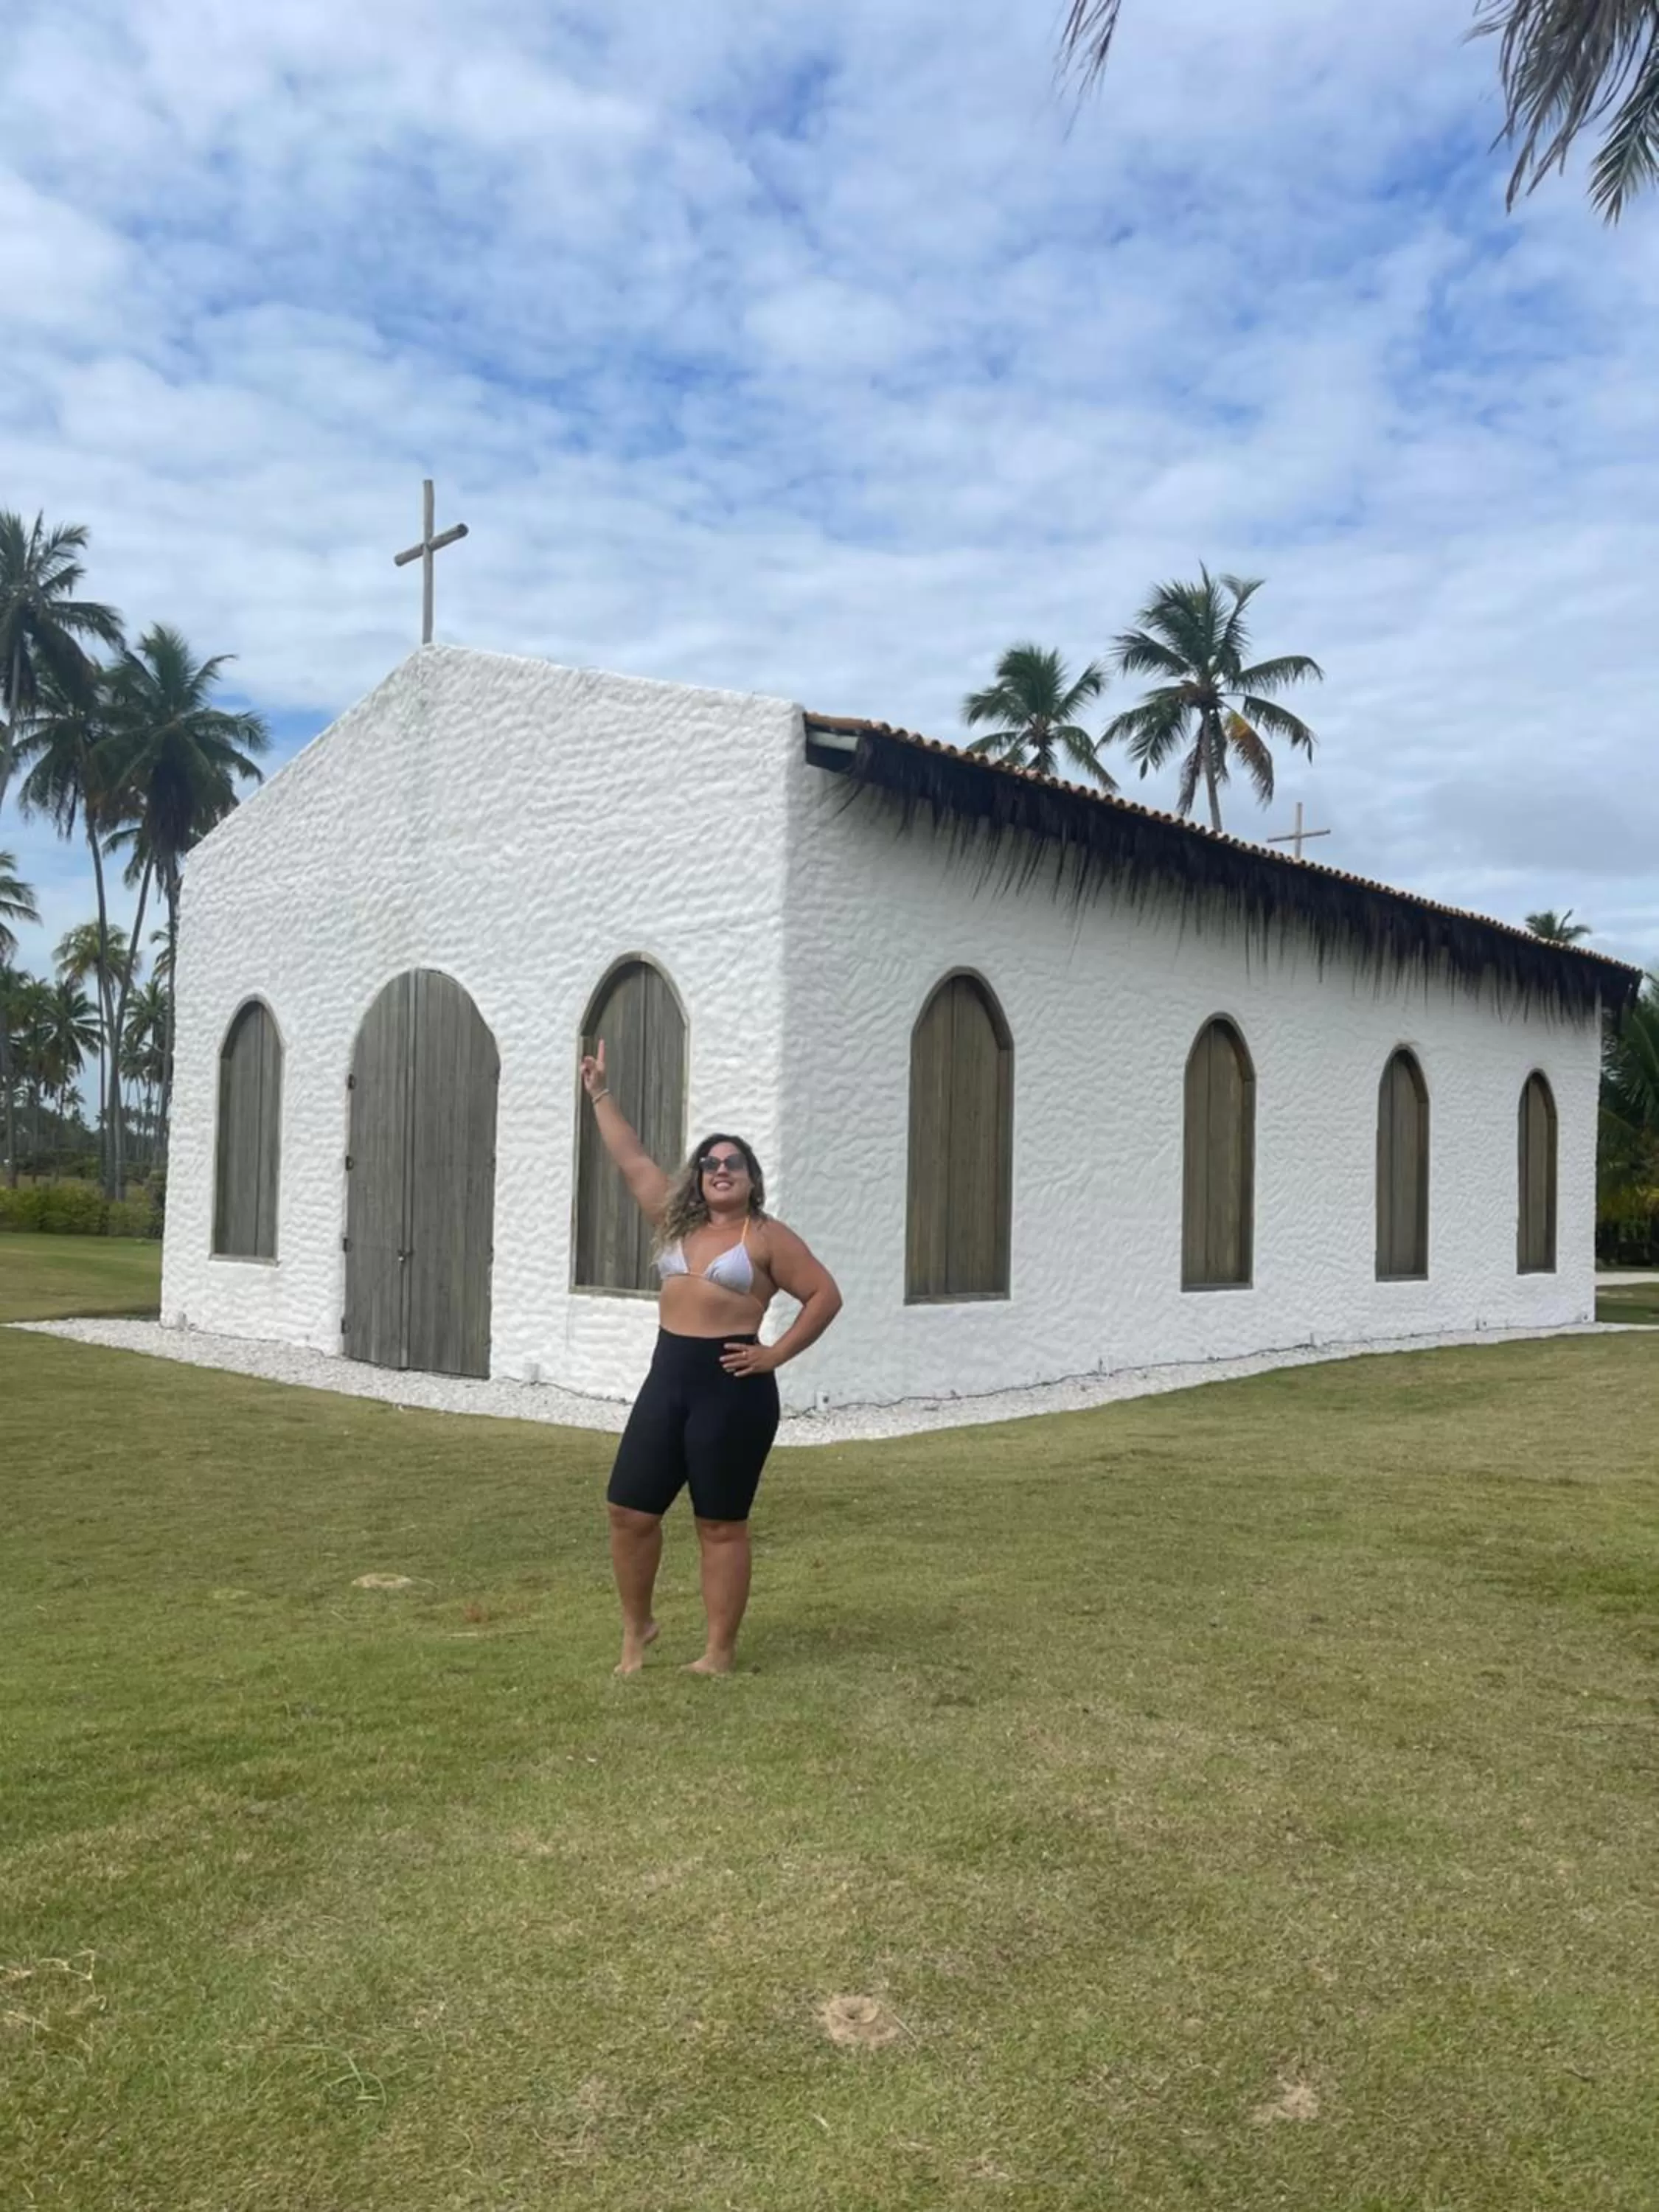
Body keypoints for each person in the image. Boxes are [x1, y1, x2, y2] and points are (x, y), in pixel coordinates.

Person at [579, 1038, 843, 1676]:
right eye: (709, 1163)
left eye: (734, 1163)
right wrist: (599, 1093)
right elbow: (631, 1158)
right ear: (699, 1178)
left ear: (752, 1179)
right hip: (668, 1378)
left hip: (731, 1386)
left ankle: (718, 1653)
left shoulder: (767, 1237)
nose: (719, 1169)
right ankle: (638, 1629)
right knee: (628, 1509)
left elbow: (824, 1295)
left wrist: (774, 1354)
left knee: (720, 1524)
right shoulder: (676, 1222)